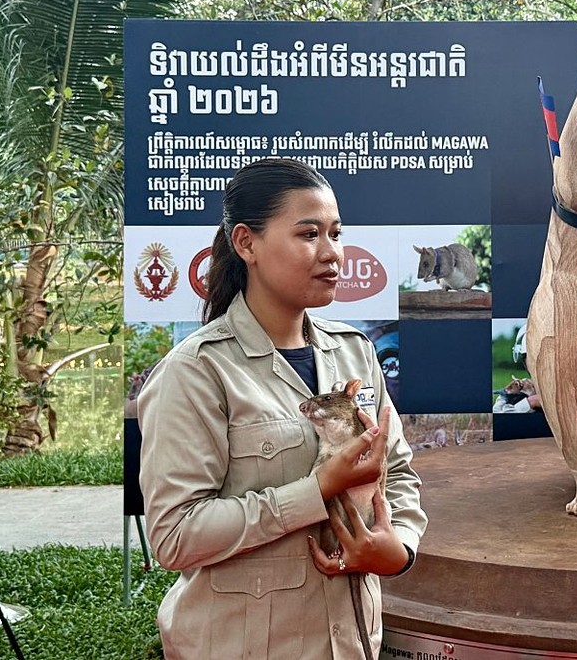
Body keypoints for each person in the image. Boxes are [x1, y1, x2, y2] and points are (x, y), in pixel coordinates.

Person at [137, 158, 427, 659]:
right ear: (246, 243)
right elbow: (174, 535)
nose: (332, 253)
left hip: (353, 641)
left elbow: (396, 470)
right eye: (309, 234)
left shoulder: (355, 352)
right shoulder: (197, 371)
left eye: (336, 233)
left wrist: (397, 545)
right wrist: (315, 491)